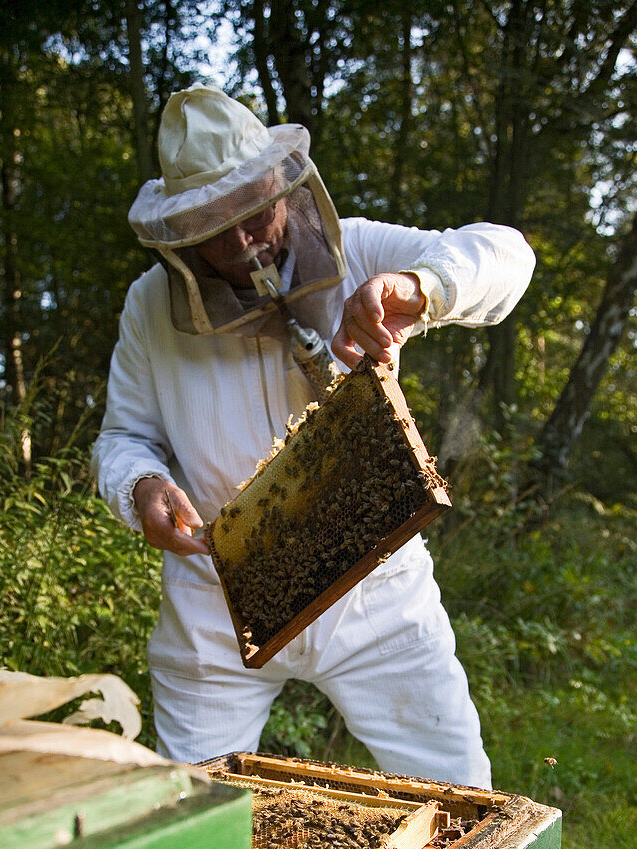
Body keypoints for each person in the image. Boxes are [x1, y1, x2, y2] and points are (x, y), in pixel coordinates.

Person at [92, 83, 535, 786]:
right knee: (183, 818)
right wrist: (141, 486)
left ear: (283, 183)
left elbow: (506, 256)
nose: (242, 242)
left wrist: (420, 288)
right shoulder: (150, 306)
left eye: (255, 212)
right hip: (218, 607)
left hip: (379, 597)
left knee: (462, 804)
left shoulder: (358, 248)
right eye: (215, 230)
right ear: (180, 235)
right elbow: (123, 437)